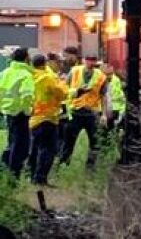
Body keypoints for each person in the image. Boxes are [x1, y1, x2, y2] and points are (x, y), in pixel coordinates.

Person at [60, 54, 107, 170]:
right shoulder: (75, 71)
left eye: (93, 60)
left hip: (92, 113)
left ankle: (90, 168)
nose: (91, 63)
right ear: (84, 61)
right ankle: (63, 165)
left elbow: (103, 96)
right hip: (75, 112)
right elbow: (64, 88)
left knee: (95, 143)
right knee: (68, 142)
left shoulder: (101, 76)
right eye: (89, 60)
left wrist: (104, 114)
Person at [27, 54, 67, 186]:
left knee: (34, 148)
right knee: (49, 149)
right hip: (48, 118)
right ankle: (41, 178)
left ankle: (31, 176)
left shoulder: (29, 76)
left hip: (33, 118)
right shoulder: (48, 78)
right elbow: (62, 94)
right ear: (46, 63)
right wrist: (62, 81)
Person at [0, 47, 34, 178]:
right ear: (26, 58)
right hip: (20, 114)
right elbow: (27, 96)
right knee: (20, 146)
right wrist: (27, 110)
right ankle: (14, 176)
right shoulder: (26, 74)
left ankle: (4, 170)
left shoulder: (5, 73)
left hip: (8, 112)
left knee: (11, 142)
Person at [101, 63, 125, 131]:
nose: (110, 76)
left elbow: (121, 97)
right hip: (103, 111)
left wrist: (121, 112)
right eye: (107, 74)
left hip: (114, 110)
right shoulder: (99, 80)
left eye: (111, 73)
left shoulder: (116, 80)